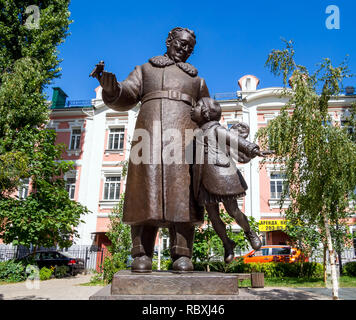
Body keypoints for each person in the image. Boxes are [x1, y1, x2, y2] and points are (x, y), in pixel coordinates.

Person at [94, 27, 209, 272]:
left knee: (184, 195)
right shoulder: (145, 70)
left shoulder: (197, 80)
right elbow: (127, 94)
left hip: (184, 140)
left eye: (190, 46)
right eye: (181, 42)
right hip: (150, 137)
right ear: (169, 41)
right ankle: (141, 254)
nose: (185, 48)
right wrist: (111, 87)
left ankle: (182, 255)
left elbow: (209, 112)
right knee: (144, 192)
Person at [191, 97, 263, 263]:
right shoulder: (196, 134)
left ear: (205, 113)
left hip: (221, 175)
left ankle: (249, 232)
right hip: (203, 179)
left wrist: (253, 149)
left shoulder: (216, 129)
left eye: (196, 107)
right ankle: (227, 244)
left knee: (233, 211)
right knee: (214, 217)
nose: (192, 110)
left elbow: (235, 140)